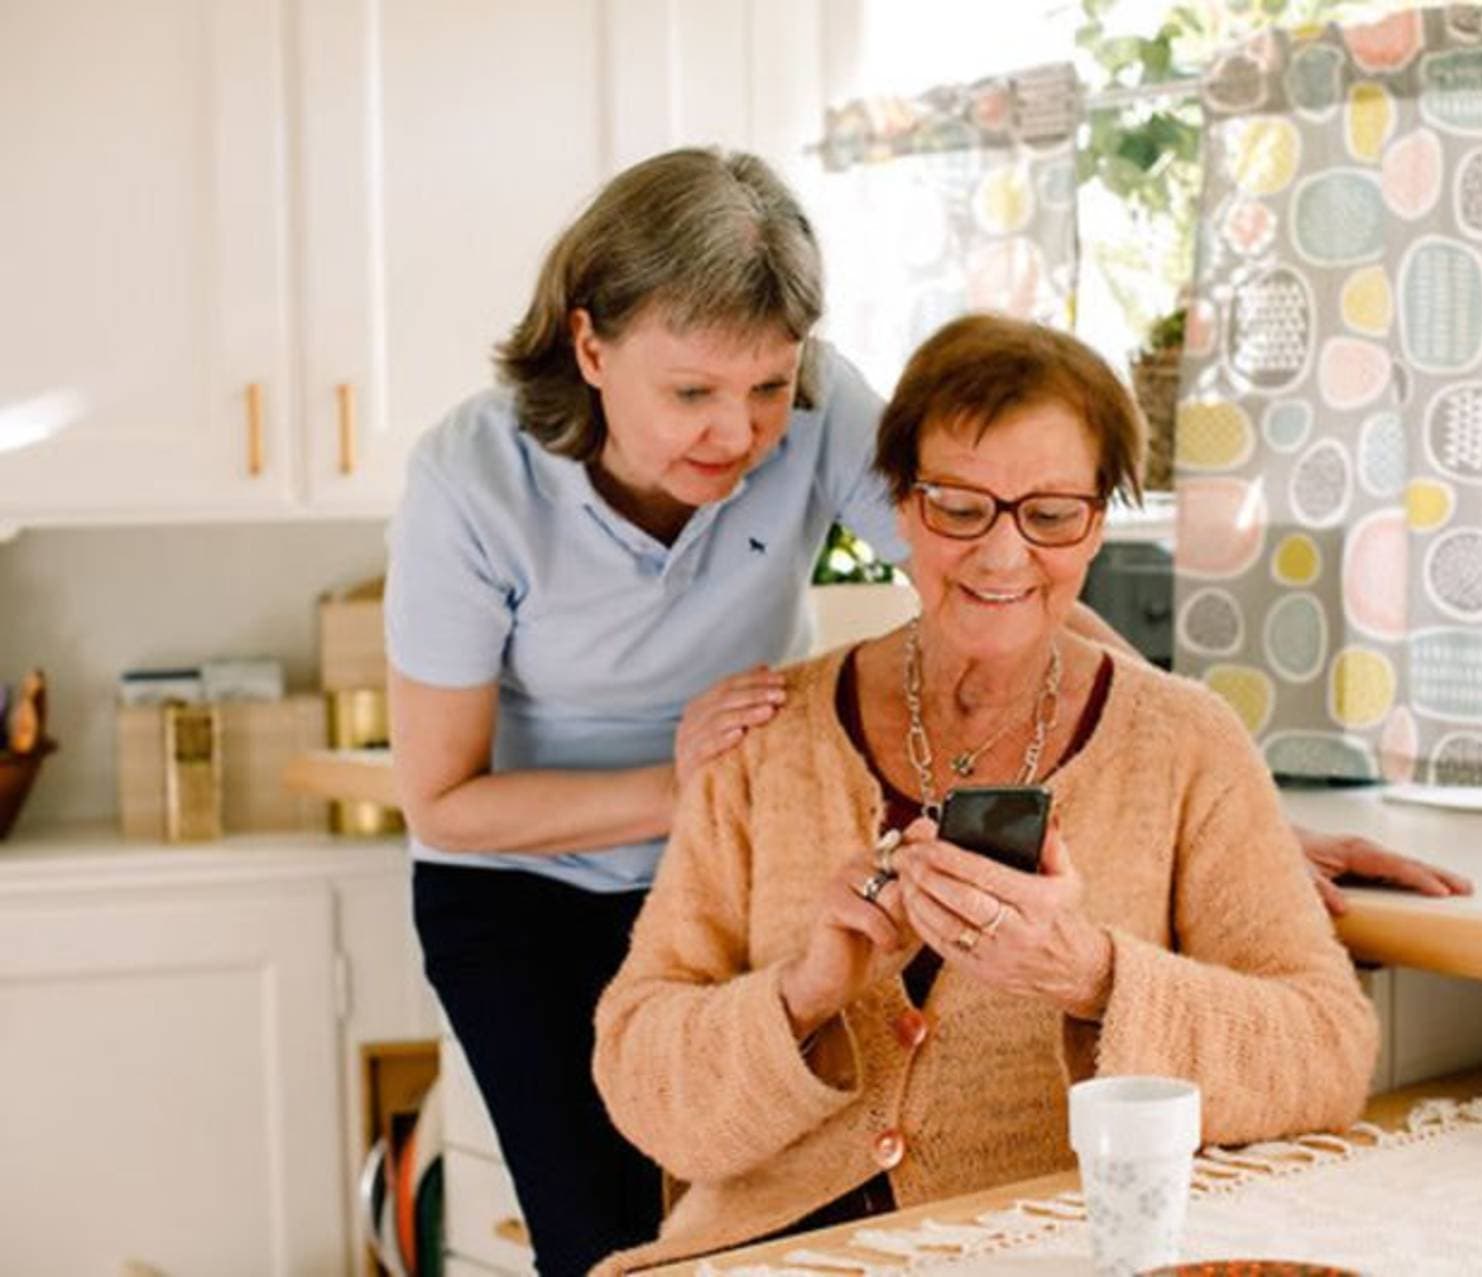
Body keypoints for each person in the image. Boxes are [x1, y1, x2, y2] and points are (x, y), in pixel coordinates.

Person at [385, 148, 1151, 1275]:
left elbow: (1006, 583)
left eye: (767, 387)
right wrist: (676, 788)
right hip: (526, 903)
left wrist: (1201, 756)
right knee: (613, 1247)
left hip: (741, 869)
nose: (738, 433)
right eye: (691, 391)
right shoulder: (471, 481)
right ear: (590, 345)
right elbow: (445, 806)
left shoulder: (822, 406)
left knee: (779, 1231)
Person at [588, 315, 1383, 1273]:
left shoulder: (1188, 743)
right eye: (961, 506)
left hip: (1047, 1253)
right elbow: (637, 1070)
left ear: (1097, 520)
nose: (1003, 556)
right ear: (900, 505)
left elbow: (1327, 1049)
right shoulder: (766, 740)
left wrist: (1090, 974)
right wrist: (805, 996)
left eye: (1050, 514)